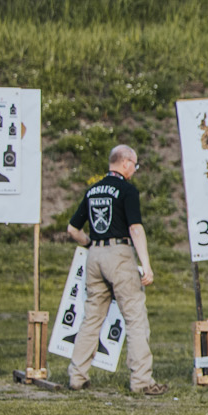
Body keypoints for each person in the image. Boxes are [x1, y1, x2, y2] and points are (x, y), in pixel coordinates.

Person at [64, 144, 166, 395]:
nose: (135, 169)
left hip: (95, 255)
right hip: (119, 254)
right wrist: (146, 264)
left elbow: (72, 229)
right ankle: (141, 381)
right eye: (135, 165)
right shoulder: (127, 190)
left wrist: (90, 244)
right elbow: (135, 229)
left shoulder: (93, 190)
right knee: (135, 317)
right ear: (126, 163)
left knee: (92, 317)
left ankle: (77, 376)